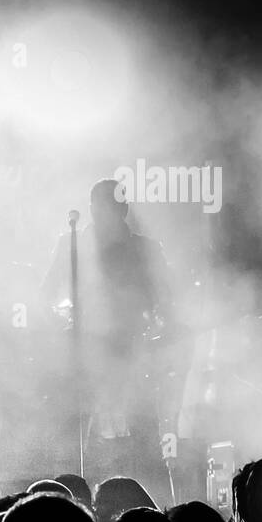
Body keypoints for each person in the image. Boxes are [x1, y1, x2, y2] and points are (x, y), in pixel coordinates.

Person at [41, 179, 175, 487]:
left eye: (113, 207)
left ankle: (151, 499)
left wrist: (156, 328)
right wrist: (64, 326)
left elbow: (166, 299)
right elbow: (45, 294)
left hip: (133, 347)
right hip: (86, 350)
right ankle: (75, 500)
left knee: (143, 429)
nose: (105, 214)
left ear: (125, 209)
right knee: (77, 431)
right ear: (90, 209)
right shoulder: (72, 244)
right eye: (99, 207)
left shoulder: (144, 248)